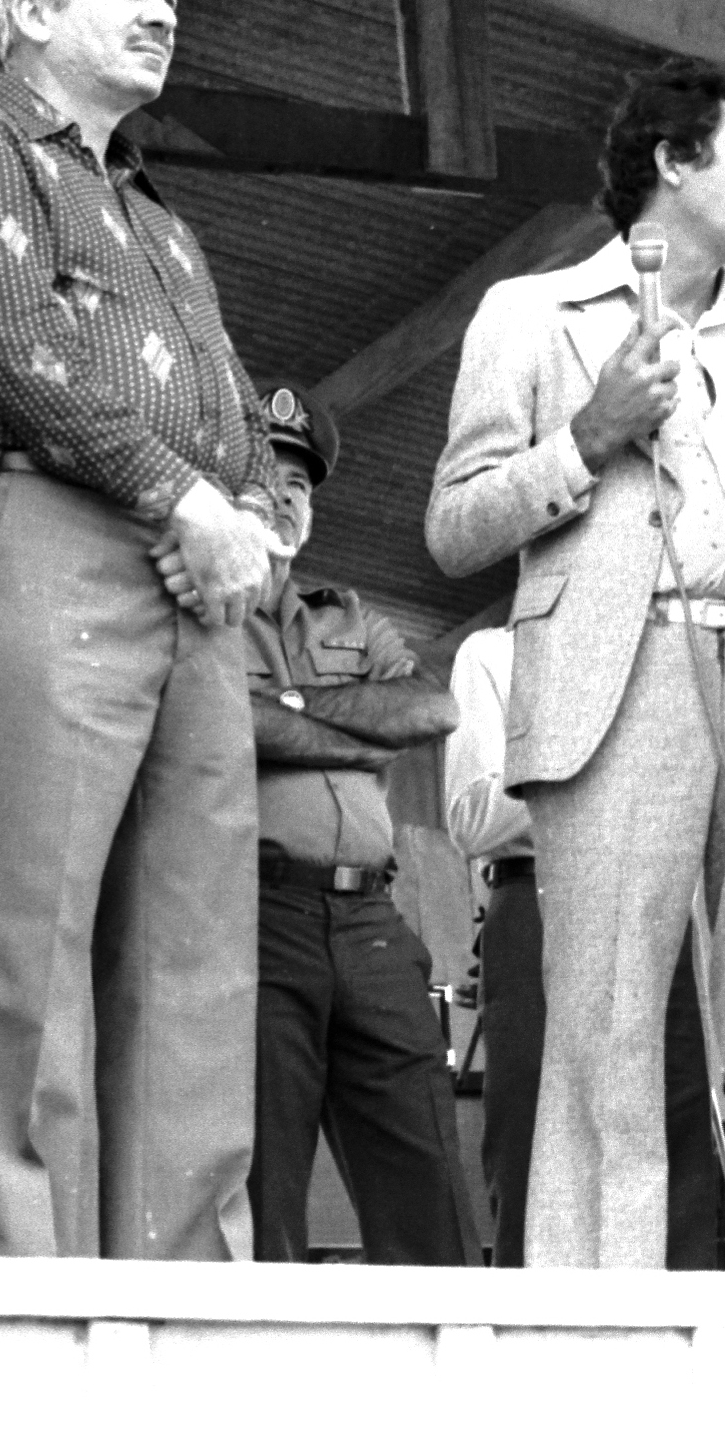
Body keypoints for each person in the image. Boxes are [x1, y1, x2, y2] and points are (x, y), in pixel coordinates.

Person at [430, 57, 725, 1270]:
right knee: (609, 1023)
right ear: (671, 162)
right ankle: (596, 1322)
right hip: (624, 664)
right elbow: (455, 526)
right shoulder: (532, 313)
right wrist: (587, 436)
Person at [0, 0, 279, 1262]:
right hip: (46, 523)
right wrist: (185, 498)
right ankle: (15, 1283)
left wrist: (245, 518)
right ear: (29, 8)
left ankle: (183, 1288)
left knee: (196, 942)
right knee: (26, 928)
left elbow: (240, 409)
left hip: (197, 573)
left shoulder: (157, 213)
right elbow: (15, 349)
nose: (165, 10)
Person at [244, 380, 471, 1264]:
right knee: (265, 1195)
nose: (285, 496)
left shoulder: (349, 614)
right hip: (259, 916)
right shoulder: (199, 610)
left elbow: (430, 710)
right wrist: (354, 725)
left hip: (373, 919)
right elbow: (226, 722)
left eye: (300, 484)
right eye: (266, 475)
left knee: (428, 1188)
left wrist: (293, 707)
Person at [444, 623, 725, 1269]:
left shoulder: (669, 653)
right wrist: (595, 772)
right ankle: (532, 1319)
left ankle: (683, 1317)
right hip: (537, 891)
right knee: (532, 1130)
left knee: (678, 1121)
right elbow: (472, 817)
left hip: (657, 894)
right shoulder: (493, 653)